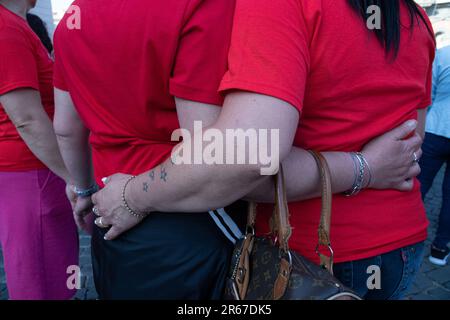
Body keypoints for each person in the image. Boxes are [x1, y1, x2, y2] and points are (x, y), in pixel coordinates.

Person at [55, 0, 427, 300]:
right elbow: (410, 142)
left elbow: (241, 161)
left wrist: (110, 192)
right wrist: (370, 167)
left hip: (305, 253)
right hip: (400, 242)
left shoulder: (72, 19)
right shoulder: (415, 17)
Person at [0, 0, 78, 300]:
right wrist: (74, 178)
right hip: (29, 172)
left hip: (37, 169)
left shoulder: (18, 24)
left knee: (52, 272)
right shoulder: (6, 29)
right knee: (38, 279)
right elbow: (27, 119)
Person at [419, 45, 450, 266]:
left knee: (417, 185)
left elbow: (428, 93)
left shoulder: (444, 54)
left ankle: (401, 236)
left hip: (434, 129)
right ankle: (439, 249)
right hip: (436, 129)